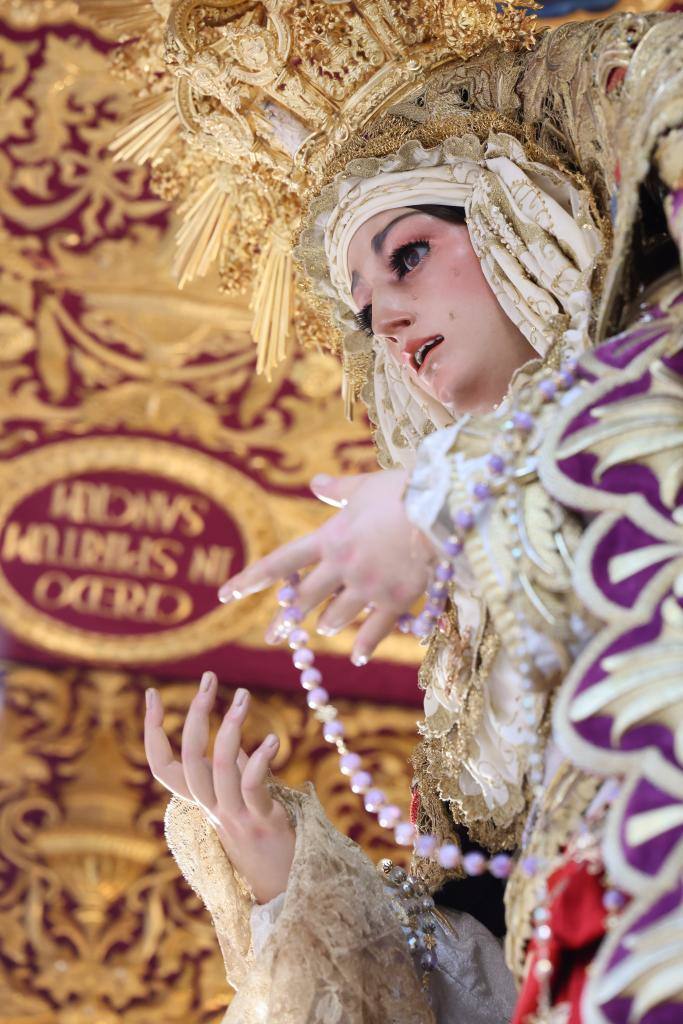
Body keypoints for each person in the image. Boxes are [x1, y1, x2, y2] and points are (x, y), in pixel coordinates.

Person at [93, 1, 683, 1020]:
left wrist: (460, 490)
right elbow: (522, 960)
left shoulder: (651, 366)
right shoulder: (469, 651)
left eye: (405, 255)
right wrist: (292, 883)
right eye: (362, 308)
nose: (387, 319)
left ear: (521, 219)